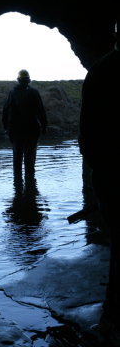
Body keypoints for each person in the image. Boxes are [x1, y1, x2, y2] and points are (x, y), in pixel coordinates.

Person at [78, 20, 120, 343]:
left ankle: (112, 318)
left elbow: (88, 135)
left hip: (112, 176)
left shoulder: (99, 73)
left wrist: (99, 174)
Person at [2, 69, 47, 179]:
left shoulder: (12, 93)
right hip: (32, 130)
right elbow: (41, 111)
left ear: (18, 80)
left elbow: (6, 111)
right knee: (30, 159)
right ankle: (30, 189)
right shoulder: (34, 92)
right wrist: (44, 125)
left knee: (17, 159)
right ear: (29, 80)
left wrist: (6, 128)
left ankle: (18, 189)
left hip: (16, 131)